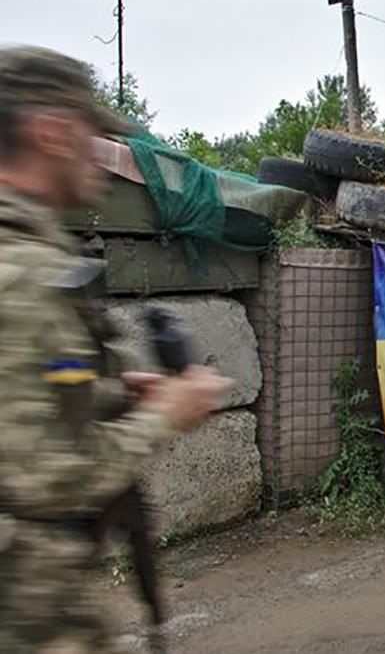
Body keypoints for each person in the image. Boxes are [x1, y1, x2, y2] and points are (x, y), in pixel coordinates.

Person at [0, 45, 231, 652]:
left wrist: (108, 394)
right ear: (51, 134)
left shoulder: (32, 254)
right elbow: (52, 479)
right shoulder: (23, 272)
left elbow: (26, 402)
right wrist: (163, 415)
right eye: (92, 135)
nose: (103, 156)